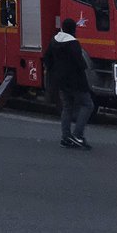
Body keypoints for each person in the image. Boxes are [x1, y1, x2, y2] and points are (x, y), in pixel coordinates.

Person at [43, 17, 94, 149]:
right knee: (87, 105)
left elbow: (47, 58)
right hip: (76, 81)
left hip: (60, 80)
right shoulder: (73, 43)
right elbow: (80, 63)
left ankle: (66, 137)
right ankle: (78, 135)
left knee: (67, 107)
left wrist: (54, 71)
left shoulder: (54, 41)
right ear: (73, 29)